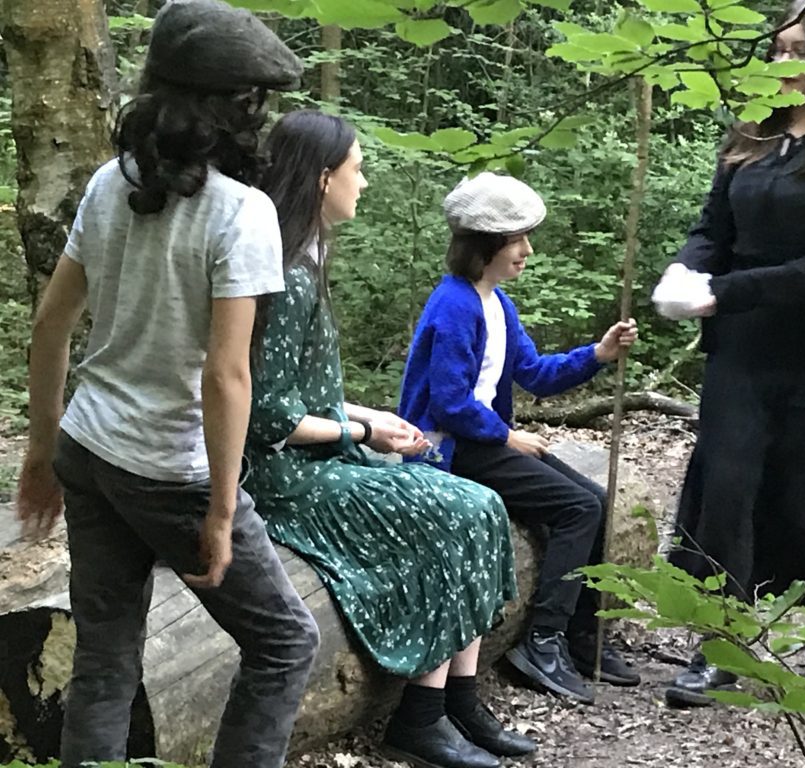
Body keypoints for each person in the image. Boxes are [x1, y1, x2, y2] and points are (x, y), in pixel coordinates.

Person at [14, 2, 320, 766]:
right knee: (285, 642)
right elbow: (226, 374)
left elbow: (50, 324)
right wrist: (220, 509)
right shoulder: (243, 213)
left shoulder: (108, 184)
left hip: (90, 449)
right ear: (238, 107)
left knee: (104, 660)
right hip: (169, 470)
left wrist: (42, 453)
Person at [246, 110, 532, 768]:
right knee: (452, 509)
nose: (365, 182)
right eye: (357, 169)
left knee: (476, 503)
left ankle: (458, 701)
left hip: (321, 453)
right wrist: (365, 429)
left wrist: (370, 416)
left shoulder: (305, 261)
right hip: (285, 478)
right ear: (323, 180)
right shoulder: (286, 276)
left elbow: (304, 393)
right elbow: (270, 419)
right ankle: (420, 719)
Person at [651, 0, 805, 707]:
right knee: (727, 484)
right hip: (743, 346)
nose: (784, 63)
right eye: (779, 49)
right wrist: (686, 270)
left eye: (800, 50)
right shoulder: (751, 136)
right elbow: (714, 227)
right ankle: (720, 641)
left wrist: (723, 292)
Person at [398, 172, 640, 705]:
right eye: (517, 240)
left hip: (480, 440)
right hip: (446, 450)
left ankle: (582, 636)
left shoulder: (496, 303)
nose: (527, 250)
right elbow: (448, 403)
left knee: (594, 501)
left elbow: (534, 373)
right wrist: (507, 437)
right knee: (577, 508)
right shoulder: (454, 304)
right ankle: (542, 641)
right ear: (485, 244)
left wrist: (597, 355)